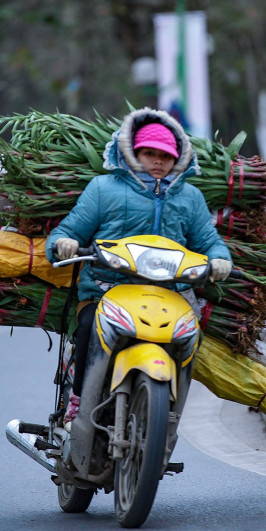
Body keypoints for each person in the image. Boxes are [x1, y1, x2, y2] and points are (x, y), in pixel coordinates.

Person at [45, 108, 232, 425]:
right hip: (105, 293)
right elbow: (65, 233)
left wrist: (220, 259)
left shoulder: (190, 197)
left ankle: (167, 415)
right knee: (89, 327)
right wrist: (63, 244)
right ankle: (77, 401)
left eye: (166, 155)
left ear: (178, 158)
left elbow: (209, 240)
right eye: (149, 153)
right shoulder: (103, 189)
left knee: (188, 340)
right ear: (133, 153)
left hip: (167, 297)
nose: (158, 161)